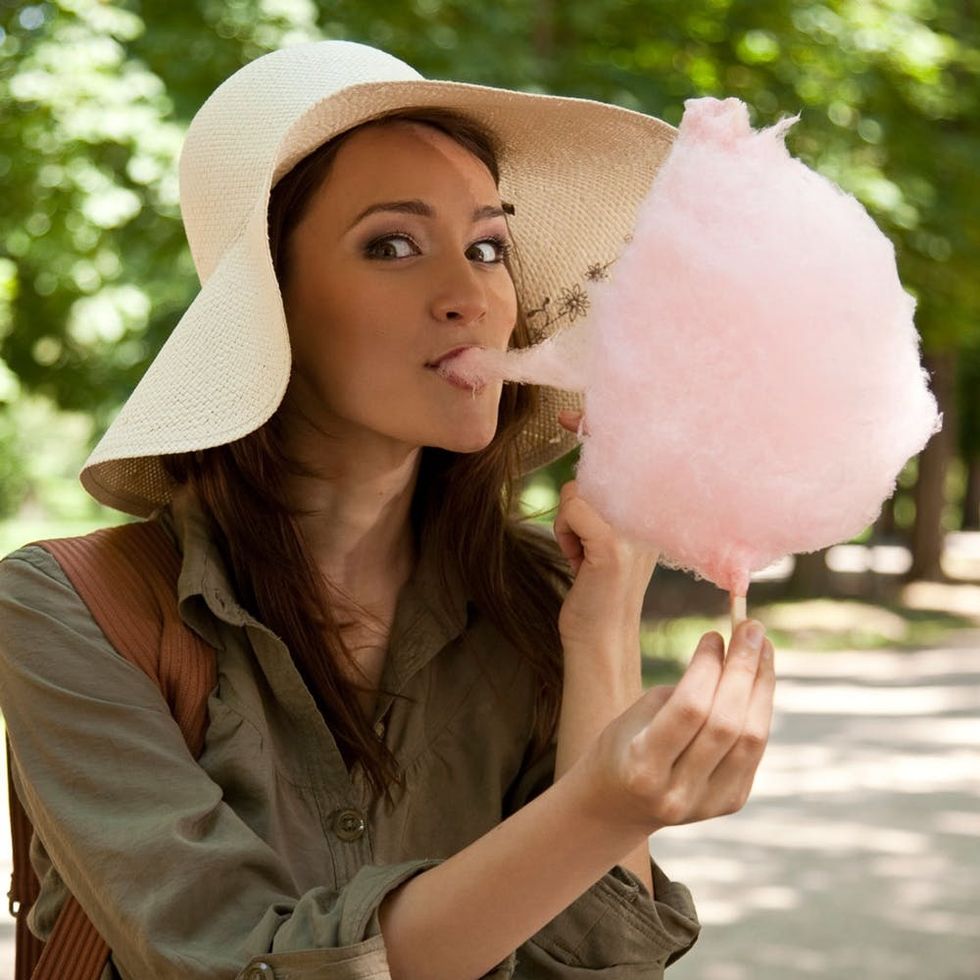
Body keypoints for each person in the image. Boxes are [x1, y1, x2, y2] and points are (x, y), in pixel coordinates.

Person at [0, 40, 775, 980]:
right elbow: (239, 964)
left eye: (488, 247)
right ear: (268, 306)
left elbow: (597, 965)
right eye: (394, 245)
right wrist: (604, 807)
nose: (473, 296)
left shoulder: (542, 594)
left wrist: (606, 620)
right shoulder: (69, 610)